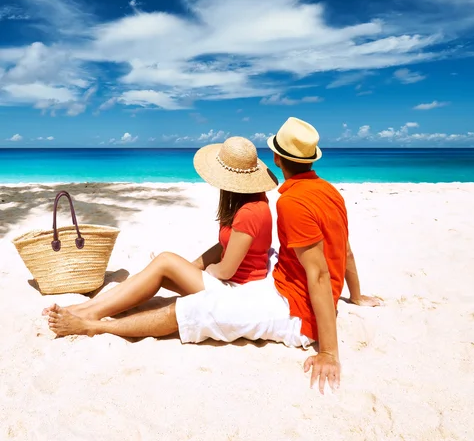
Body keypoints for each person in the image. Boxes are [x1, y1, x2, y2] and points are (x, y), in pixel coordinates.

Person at [46, 118, 380, 393]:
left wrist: (328, 351)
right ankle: (90, 311)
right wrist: (355, 295)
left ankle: (92, 326)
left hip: (296, 311)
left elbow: (319, 274)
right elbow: (345, 251)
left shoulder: (291, 203)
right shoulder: (328, 191)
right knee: (173, 275)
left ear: (276, 158)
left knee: (190, 311)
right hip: (282, 289)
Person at [43, 136, 278, 323]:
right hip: (231, 282)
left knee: (164, 262)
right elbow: (225, 245)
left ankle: (90, 313)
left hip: (235, 290)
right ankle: (86, 307)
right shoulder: (254, 201)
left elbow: (225, 271)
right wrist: (193, 266)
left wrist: (206, 271)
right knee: (156, 269)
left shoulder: (249, 212)